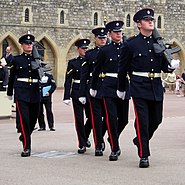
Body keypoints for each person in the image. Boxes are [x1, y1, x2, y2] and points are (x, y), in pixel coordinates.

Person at [117, 8, 177, 168]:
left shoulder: (159, 43)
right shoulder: (131, 44)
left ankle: (139, 140)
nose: (151, 21)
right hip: (138, 87)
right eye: (147, 19)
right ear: (138, 24)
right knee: (142, 121)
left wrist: (171, 66)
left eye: (152, 19)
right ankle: (144, 155)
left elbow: (164, 67)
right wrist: (121, 88)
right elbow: (122, 69)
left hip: (156, 86)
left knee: (157, 119)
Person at [90, 21, 130, 161]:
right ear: (110, 34)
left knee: (124, 119)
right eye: (116, 32)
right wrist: (93, 87)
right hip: (108, 86)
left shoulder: (127, 48)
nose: (119, 34)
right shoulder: (104, 51)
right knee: (111, 118)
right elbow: (96, 71)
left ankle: (111, 137)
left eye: (120, 32)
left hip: (123, 85)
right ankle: (114, 147)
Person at [7, 33, 41, 157]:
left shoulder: (37, 59)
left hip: (35, 92)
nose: (29, 46)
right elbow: (12, 78)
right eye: (26, 44)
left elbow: (42, 74)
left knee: (33, 119)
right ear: (22, 45)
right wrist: (10, 92)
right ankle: (27, 147)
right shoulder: (17, 60)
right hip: (21, 92)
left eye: (31, 44)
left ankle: (24, 135)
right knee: (24, 119)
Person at [79, 27, 108, 156]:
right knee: (95, 118)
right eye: (100, 38)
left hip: (108, 87)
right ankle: (98, 144)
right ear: (95, 39)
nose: (103, 40)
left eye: (104, 38)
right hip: (94, 88)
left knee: (109, 117)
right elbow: (84, 75)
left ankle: (100, 137)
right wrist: (82, 93)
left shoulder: (112, 51)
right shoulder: (89, 55)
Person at [63, 38, 91, 154]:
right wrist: (66, 96)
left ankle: (84, 135)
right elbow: (68, 80)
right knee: (79, 119)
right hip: (77, 91)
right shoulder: (73, 63)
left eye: (86, 48)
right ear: (78, 49)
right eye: (83, 48)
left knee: (92, 117)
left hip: (89, 91)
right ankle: (81, 143)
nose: (85, 50)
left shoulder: (91, 61)